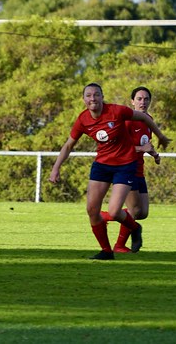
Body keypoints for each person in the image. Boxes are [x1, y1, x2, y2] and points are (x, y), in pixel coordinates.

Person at [48, 82, 168, 260]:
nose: (92, 98)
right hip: (102, 165)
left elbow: (144, 118)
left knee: (114, 211)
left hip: (125, 165)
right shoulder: (83, 120)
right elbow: (68, 145)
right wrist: (55, 168)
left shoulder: (117, 111)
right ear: (84, 99)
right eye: (88, 95)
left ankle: (135, 228)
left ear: (102, 97)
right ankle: (106, 251)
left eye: (96, 94)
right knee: (92, 209)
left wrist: (161, 136)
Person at [110, 86, 161, 253]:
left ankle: (107, 214)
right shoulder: (128, 121)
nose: (143, 102)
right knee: (133, 210)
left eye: (146, 99)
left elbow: (145, 144)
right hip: (126, 168)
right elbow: (119, 147)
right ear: (132, 101)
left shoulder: (148, 119)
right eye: (139, 99)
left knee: (142, 212)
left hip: (139, 170)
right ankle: (119, 245)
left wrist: (153, 153)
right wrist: (142, 149)